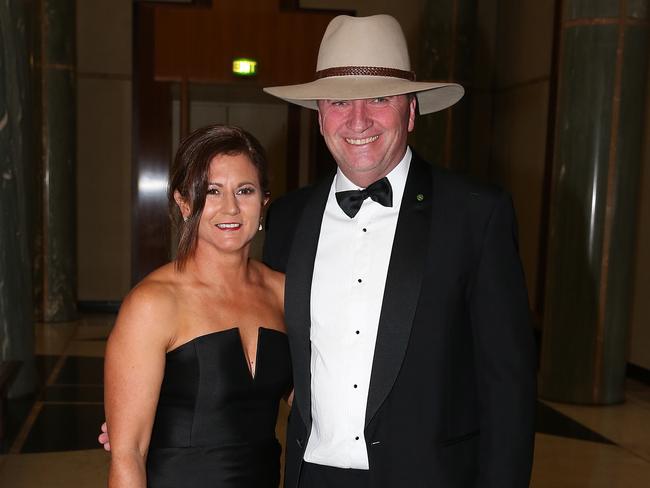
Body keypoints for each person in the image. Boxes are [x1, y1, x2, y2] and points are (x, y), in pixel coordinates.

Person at [260, 14, 537, 488]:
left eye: (381, 99)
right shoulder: (287, 219)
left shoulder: (475, 215)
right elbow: (260, 352)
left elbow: (508, 389)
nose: (359, 120)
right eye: (340, 102)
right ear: (319, 116)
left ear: (411, 111)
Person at [103, 124, 291, 488]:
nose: (231, 208)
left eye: (245, 190)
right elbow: (128, 456)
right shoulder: (153, 303)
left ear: (264, 200)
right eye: (212, 192)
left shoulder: (283, 292)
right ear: (184, 202)